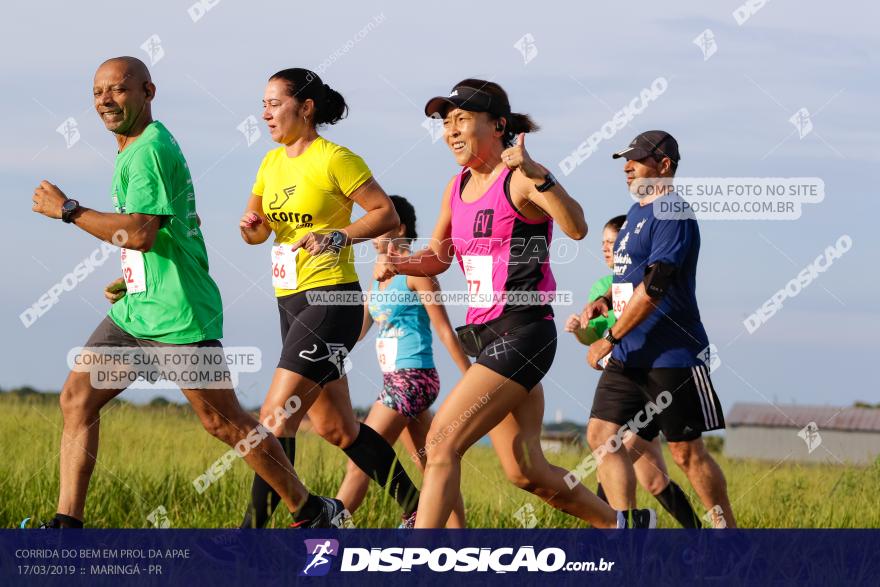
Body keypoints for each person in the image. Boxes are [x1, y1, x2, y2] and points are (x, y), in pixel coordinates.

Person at [30, 56, 305, 528]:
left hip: (178, 316)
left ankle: (311, 510)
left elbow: (140, 232)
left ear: (147, 91)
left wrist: (69, 209)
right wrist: (136, 274)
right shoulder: (134, 147)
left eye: (118, 90)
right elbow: (157, 236)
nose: (105, 101)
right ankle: (66, 528)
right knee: (77, 398)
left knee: (225, 423)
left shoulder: (149, 150)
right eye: (98, 93)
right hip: (139, 309)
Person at [378, 79, 656, 529]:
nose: (451, 131)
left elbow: (579, 226)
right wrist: (402, 262)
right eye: (446, 123)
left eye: (462, 120)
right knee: (525, 470)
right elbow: (440, 257)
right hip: (485, 338)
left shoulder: (522, 179)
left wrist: (538, 173)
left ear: (498, 125)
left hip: (523, 331)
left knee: (443, 443)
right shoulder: (455, 187)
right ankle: (624, 528)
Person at [238, 68, 422, 528]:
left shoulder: (336, 158)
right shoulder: (270, 163)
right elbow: (258, 233)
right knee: (337, 427)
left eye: (274, 103)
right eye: (262, 104)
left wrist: (339, 236)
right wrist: (253, 230)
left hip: (331, 299)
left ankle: (254, 536)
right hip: (291, 300)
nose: (265, 113)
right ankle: (416, 507)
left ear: (305, 108)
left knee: (275, 415)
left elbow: (386, 214)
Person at [583, 130, 735, 528]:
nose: (627, 167)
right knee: (602, 436)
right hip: (629, 354)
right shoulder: (635, 214)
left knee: (686, 453)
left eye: (636, 159)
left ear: (664, 165)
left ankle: (726, 535)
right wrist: (605, 304)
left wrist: (608, 337)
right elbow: (629, 280)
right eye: (624, 161)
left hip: (672, 355)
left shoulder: (673, 212)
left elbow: (654, 288)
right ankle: (627, 531)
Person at [335, 195, 468, 528]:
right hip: (396, 382)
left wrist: (474, 381)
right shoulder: (378, 277)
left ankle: (322, 543)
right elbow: (359, 330)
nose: (371, 231)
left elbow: (445, 331)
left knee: (361, 460)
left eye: (378, 225)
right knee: (433, 467)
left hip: (413, 379)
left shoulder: (417, 271)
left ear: (399, 228)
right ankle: (461, 544)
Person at [566, 215, 702, 528]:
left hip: (654, 372)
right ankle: (633, 526)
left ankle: (624, 525)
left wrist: (610, 339)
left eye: (613, 244)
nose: (607, 250)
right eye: (603, 244)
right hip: (623, 376)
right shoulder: (604, 286)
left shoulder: (648, 278)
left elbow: (648, 310)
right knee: (647, 474)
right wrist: (580, 332)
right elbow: (595, 332)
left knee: (613, 448)